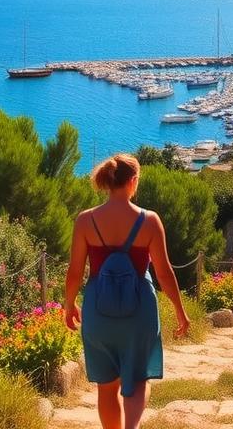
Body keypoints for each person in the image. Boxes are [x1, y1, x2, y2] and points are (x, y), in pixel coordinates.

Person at [65, 154, 191, 429]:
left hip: (98, 311)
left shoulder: (85, 221)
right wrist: (180, 312)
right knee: (136, 379)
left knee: (106, 387)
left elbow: (74, 272)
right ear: (133, 182)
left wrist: (69, 305)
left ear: (108, 182)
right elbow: (164, 273)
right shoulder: (149, 221)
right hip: (139, 312)